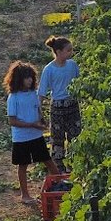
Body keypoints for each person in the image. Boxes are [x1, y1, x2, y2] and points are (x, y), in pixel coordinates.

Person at [5, 61, 61, 205]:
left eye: (31, 77)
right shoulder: (13, 98)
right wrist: (32, 125)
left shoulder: (33, 94)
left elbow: (37, 110)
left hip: (36, 136)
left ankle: (63, 185)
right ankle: (25, 195)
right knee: (23, 165)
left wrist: (42, 122)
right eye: (26, 77)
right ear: (18, 79)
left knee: (48, 160)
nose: (29, 80)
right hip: (21, 139)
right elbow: (12, 121)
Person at [39, 35, 80, 164]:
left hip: (72, 105)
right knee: (57, 138)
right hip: (57, 107)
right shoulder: (49, 69)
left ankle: (76, 164)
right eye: (68, 50)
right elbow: (42, 92)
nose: (71, 52)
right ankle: (59, 168)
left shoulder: (73, 65)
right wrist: (39, 111)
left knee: (75, 136)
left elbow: (79, 83)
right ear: (58, 52)